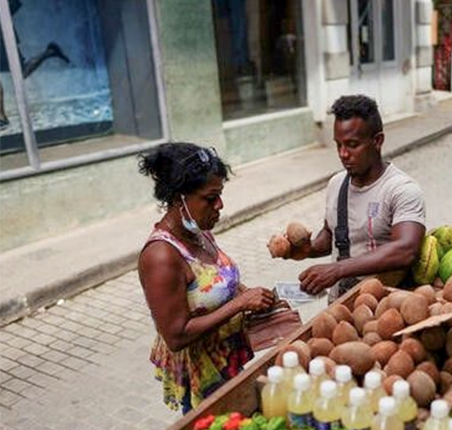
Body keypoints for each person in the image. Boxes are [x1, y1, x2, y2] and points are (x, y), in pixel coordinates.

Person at [138, 142, 277, 413]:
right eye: (210, 198)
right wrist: (239, 304)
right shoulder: (161, 257)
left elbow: (217, 282)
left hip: (228, 364)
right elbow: (175, 335)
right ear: (180, 199)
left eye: (220, 194)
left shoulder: (198, 232)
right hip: (202, 379)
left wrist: (252, 297)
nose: (220, 204)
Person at [272, 94, 426, 300]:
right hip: (340, 307)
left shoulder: (401, 190)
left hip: (383, 310)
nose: (343, 154)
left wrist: (337, 269)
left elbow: (406, 249)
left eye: (352, 145)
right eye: (338, 145)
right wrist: (303, 249)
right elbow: (332, 237)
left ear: (377, 141)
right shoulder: (336, 184)